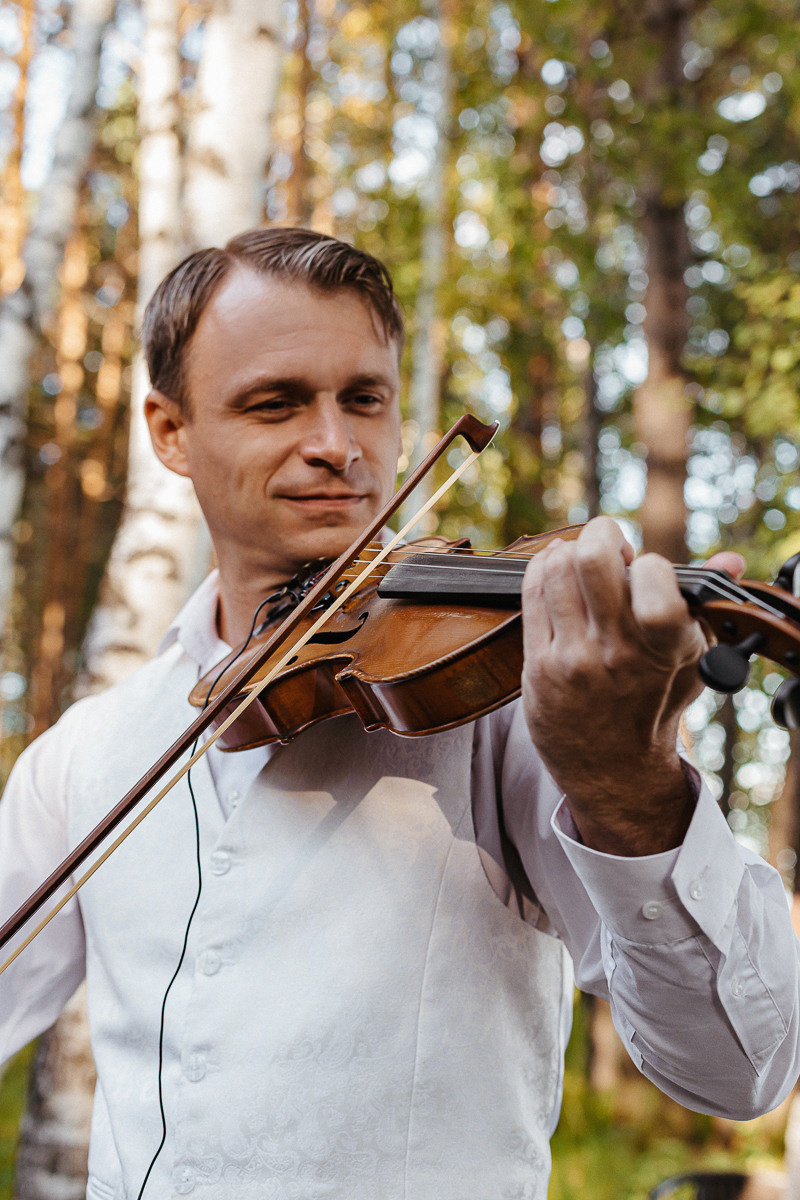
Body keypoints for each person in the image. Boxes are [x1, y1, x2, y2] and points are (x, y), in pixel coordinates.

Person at [0, 226, 798, 1200]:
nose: (336, 446)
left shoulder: (508, 706)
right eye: (276, 403)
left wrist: (627, 789)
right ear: (170, 431)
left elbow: (738, 1070)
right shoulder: (89, 752)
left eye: (363, 400)